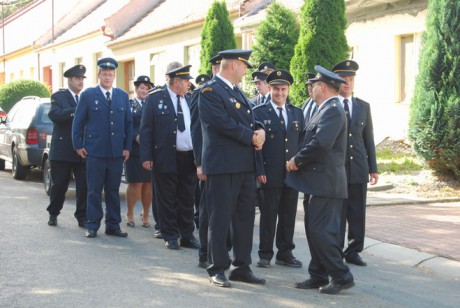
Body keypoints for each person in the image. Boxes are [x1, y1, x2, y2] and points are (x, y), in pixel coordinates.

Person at [199, 49, 266, 288]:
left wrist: (259, 130)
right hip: (223, 167)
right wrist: (251, 137)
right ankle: (217, 267)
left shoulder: (236, 91)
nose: (247, 70)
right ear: (235, 65)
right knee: (220, 219)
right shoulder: (209, 91)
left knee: (244, 219)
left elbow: (247, 118)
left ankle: (242, 267)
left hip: (244, 166)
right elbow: (222, 123)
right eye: (245, 65)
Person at [286, 65, 354, 295]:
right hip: (316, 182)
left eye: (313, 85)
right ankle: (318, 274)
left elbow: (321, 143)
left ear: (321, 87)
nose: (311, 89)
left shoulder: (333, 110)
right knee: (313, 229)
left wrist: (297, 160)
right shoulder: (322, 108)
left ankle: (341, 275)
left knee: (321, 231)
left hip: (326, 183)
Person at [139, 64, 200, 250]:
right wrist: (146, 156)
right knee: (167, 198)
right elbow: (146, 129)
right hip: (165, 155)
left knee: (187, 198)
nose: (189, 84)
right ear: (176, 82)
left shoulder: (190, 99)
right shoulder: (155, 98)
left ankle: (187, 235)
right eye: (186, 81)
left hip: (188, 157)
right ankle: (171, 235)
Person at [72, 57, 133, 238]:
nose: (107, 77)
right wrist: (77, 144)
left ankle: (113, 225)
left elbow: (128, 124)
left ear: (114, 76)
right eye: (104, 74)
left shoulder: (122, 96)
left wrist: (127, 147)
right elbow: (78, 122)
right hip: (95, 151)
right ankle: (92, 225)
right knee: (94, 190)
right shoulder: (89, 95)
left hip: (116, 152)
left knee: (113, 190)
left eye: (110, 74)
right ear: (98, 75)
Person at [253, 69, 304, 269]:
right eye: (276, 89)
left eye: (283, 89)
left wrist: (300, 166)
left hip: (291, 174)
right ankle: (265, 254)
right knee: (268, 215)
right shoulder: (259, 113)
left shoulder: (297, 113)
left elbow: (301, 144)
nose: (279, 93)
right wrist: (259, 171)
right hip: (269, 173)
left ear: (288, 90)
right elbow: (256, 148)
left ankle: (285, 253)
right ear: (270, 89)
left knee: (288, 215)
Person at [331, 60, 379, 266]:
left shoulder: (363, 107)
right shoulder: (331, 106)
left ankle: (354, 250)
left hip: (358, 167)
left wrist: (373, 168)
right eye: (343, 79)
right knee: (338, 212)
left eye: (350, 79)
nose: (347, 83)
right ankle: (336, 250)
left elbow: (368, 138)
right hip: (337, 169)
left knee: (357, 212)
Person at [47, 64, 87, 228]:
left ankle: (82, 217)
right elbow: (55, 115)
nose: (80, 81)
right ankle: (53, 213)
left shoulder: (86, 97)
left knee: (84, 185)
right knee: (60, 185)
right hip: (63, 150)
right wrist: (76, 110)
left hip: (82, 150)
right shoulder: (59, 96)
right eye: (77, 78)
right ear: (69, 80)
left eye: (82, 79)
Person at [125, 75, 154, 228]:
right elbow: (126, 125)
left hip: (149, 150)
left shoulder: (153, 104)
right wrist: (134, 136)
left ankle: (146, 213)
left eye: (147, 88)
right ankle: (130, 213)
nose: (144, 90)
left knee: (148, 184)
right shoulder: (129, 105)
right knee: (135, 183)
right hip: (135, 150)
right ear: (136, 89)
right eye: (142, 87)